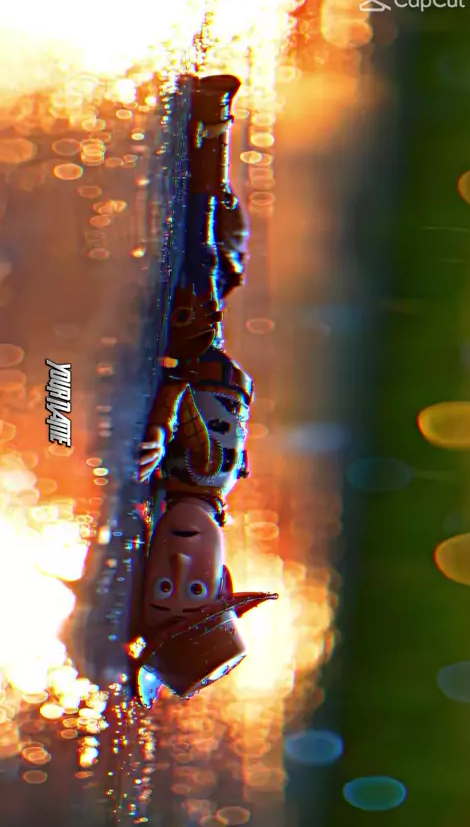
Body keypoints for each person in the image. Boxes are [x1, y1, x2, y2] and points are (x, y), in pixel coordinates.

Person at [133, 74, 278, 708]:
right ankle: (213, 119)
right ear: (223, 579)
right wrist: (163, 420)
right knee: (202, 240)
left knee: (218, 249)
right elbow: (207, 391)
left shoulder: (170, 492)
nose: (178, 568)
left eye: (163, 592)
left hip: (194, 342)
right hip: (196, 338)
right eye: (196, 590)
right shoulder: (206, 470)